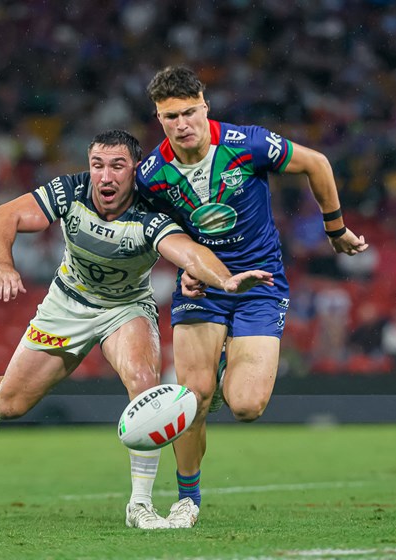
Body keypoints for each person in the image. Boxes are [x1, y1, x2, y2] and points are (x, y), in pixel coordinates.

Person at [0, 130, 273, 530]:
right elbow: (0, 217)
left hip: (126, 308)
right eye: (98, 165)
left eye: (117, 166)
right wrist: (3, 265)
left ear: (135, 171)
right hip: (67, 304)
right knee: (12, 405)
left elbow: (189, 252)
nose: (105, 177)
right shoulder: (70, 191)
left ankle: (139, 505)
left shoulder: (150, 212)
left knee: (144, 383)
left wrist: (225, 280)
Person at [136, 66, 368, 528]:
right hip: (204, 288)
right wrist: (181, 269)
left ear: (206, 106)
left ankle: (223, 371)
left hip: (259, 285)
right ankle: (187, 499)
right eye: (169, 117)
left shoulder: (248, 144)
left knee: (245, 405)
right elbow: (157, 234)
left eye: (189, 112)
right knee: (192, 397)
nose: (182, 124)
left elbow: (317, 163)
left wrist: (335, 229)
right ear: (158, 119)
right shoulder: (151, 175)